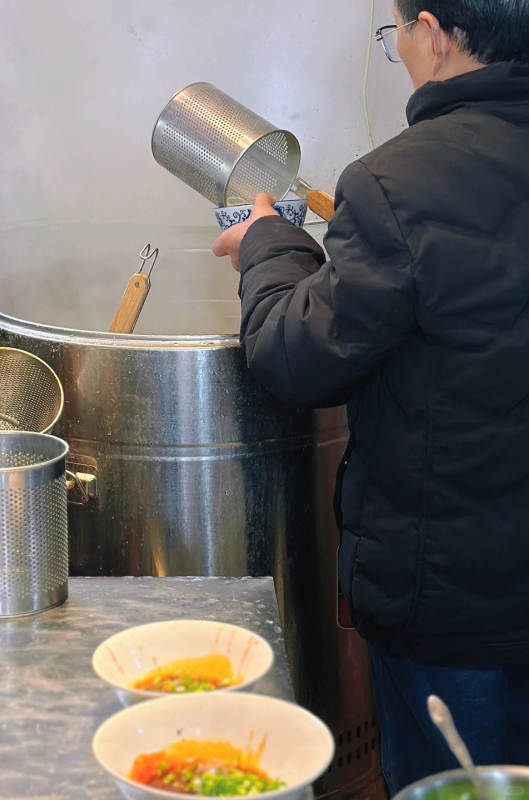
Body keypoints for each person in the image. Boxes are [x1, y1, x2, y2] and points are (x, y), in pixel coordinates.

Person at [212, 1, 529, 795]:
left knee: (452, 785)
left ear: (434, 33)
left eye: (398, 36)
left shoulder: (400, 182)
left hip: (453, 611)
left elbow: (296, 357)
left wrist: (267, 244)